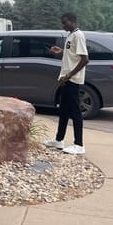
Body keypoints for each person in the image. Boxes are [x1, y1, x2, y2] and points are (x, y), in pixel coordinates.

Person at [44, 12, 89, 155]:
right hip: (66, 79)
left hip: (72, 80)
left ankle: (79, 145)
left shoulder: (78, 35)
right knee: (63, 110)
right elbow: (73, 54)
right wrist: (61, 51)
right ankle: (59, 139)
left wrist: (69, 75)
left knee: (75, 111)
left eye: (64, 22)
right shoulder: (71, 35)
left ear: (72, 21)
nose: (62, 25)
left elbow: (84, 59)